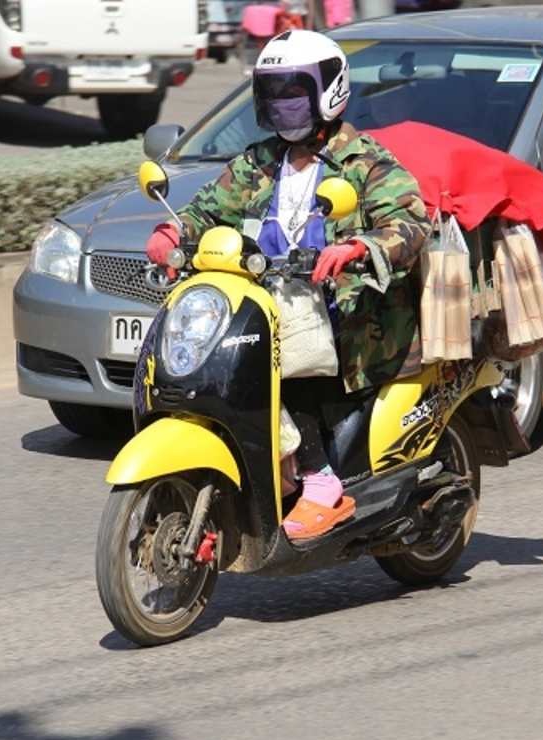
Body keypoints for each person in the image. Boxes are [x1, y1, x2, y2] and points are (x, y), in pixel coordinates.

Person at [145, 29, 429, 541]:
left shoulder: (365, 161)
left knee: (284, 358)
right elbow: (209, 207)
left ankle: (321, 484)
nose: (283, 107)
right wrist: (173, 231)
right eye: (273, 95)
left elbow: (408, 223)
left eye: (293, 94)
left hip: (350, 311)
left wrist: (358, 248)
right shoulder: (259, 161)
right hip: (273, 297)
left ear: (327, 93)